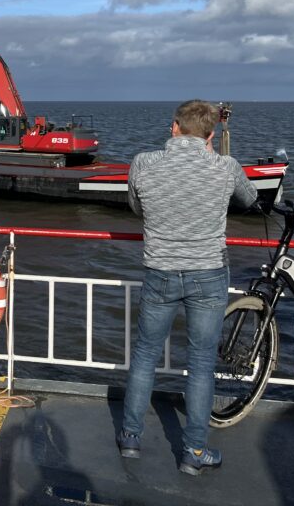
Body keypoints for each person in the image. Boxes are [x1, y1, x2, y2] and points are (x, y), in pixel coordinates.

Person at [116, 99, 257, 475]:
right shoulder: (224, 166)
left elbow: (135, 207)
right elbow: (250, 200)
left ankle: (130, 436)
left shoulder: (143, 163)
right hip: (208, 273)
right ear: (211, 134)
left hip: (160, 270)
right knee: (200, 363)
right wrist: (214, 162)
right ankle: (193, 453)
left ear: (174, 127)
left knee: (146, 354)